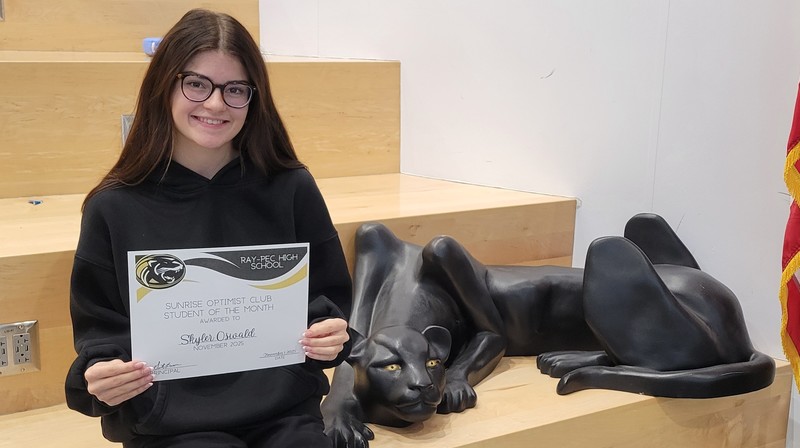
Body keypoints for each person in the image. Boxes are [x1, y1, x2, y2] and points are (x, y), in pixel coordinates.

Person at [64, 9, 352, 448]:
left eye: (235, 89)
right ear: (164, 86)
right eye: (197, 83)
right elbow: (102, 332)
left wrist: (330, 334)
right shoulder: (114, 206)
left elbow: (327, 304)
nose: (216, 104)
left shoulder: (291, 187)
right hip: (170, 422)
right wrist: (103, 374)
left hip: (285, 411)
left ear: (254, 99)